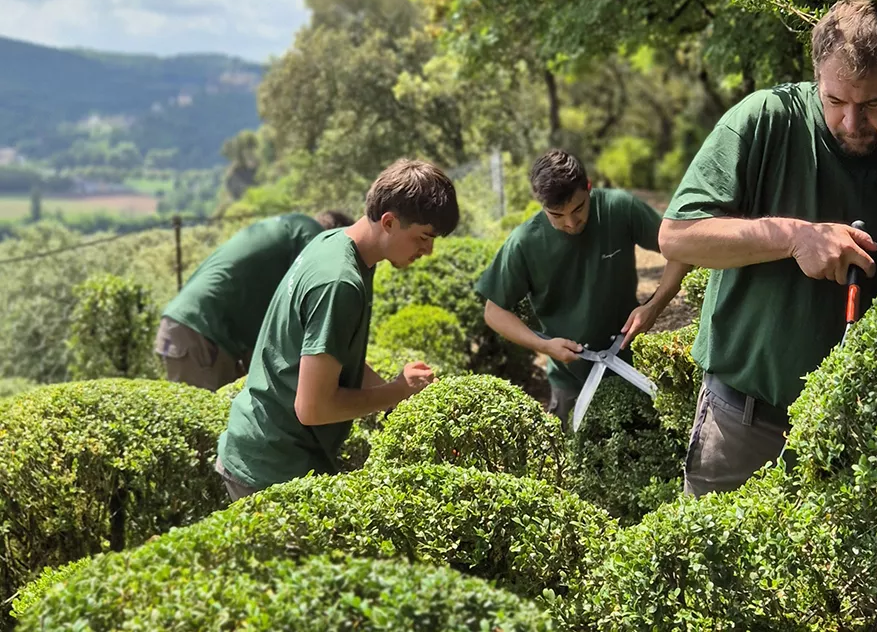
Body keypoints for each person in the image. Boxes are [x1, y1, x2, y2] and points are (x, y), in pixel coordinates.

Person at [660, 0, 877, 496]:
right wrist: (795, 237)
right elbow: (678, 235)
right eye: (835, 101)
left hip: (872, 438)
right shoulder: (766, 120)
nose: (852, 123)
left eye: (872, 104)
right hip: (743, 423)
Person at [214, 159, 459, 500]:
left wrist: (397, 391)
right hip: (271, 468)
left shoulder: (333, 244)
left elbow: (336, 358)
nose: (428, 250)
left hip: (268, 452)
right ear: (388, 222)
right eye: (423, 237)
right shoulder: (339, 282)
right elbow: (313, 407)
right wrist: (397, 391)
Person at [476, 149, 690, 428]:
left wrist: (654, 306)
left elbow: (683, 249)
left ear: (588, 187)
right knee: (573, 460)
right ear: (541, 205)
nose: (570, 222)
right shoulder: (524, 243)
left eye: (578, 208)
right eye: (556, 215)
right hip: (570, 379)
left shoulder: (619, 208)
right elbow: (494, 312)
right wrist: (544, 346)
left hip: (630, 366)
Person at [156, 209, 354, 391]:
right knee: (203, 421)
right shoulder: (311, 233)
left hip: (193, 329)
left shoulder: (287, 233)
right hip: (200, 333)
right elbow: (317, 307)